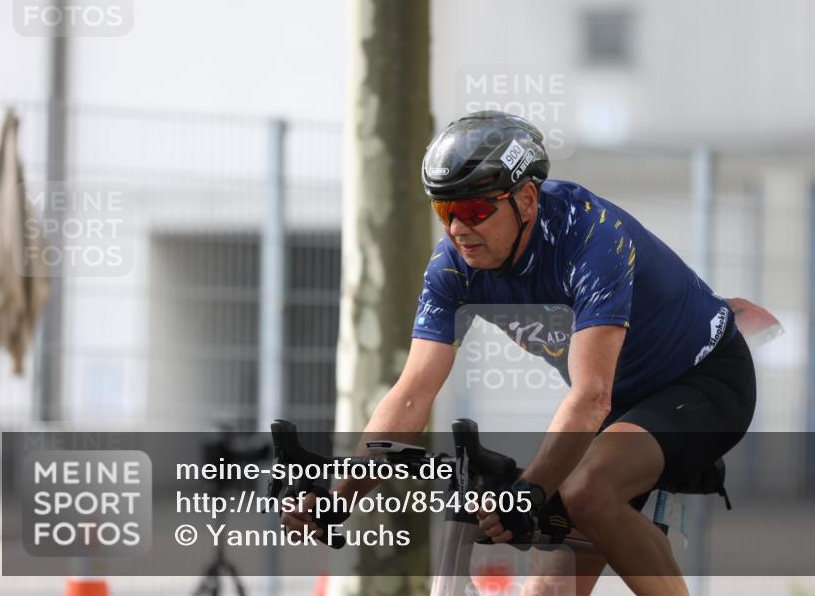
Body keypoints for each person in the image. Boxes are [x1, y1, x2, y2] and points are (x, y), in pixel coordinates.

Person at [282, 111, 757, 596]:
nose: (458, 230)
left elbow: (592, 396)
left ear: (526, 198)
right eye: (444, 212)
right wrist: (340, 497)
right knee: (545, 591)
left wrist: (527, 492)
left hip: (703, 381)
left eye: (472, 211)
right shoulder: (454, 266)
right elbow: (410, 396)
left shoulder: (591, 237)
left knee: (586, 489)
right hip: (619, 408)